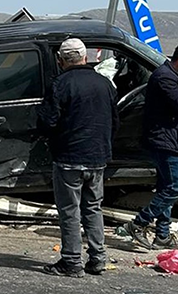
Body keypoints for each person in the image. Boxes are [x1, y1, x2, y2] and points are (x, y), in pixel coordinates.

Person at [36, 38, 119, 277]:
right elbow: (115, 121)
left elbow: (48, 121)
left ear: (61, 61)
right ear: (86, 57)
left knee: (70, 211)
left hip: (69, 157)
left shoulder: (60, 85)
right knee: (93, 208)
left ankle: (72, 261)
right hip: (98, 157)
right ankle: (98, 259)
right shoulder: (105, 84)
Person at [121, 42, 178, 250]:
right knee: (175, 188)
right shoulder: (165, 77)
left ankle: (162, 235)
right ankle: (138, 223)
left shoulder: (176, 76)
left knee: (166, 188)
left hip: (174, 140)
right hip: (167, 142)